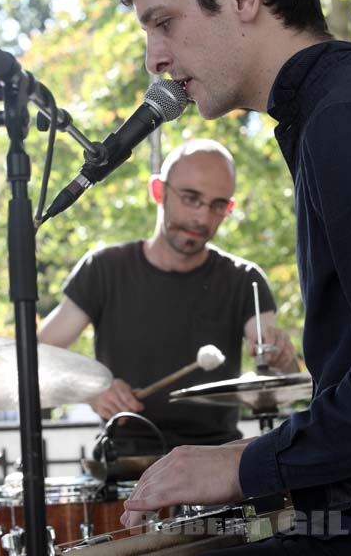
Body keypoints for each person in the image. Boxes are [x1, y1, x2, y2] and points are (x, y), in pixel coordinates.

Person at [112, 0, 351, 553]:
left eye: (163, 21)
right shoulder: (324, 112)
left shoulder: (341, 118)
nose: (155, 59)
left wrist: (244, 464)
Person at [39, 138, 296, 457]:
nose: (202, 219)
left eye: (217, 205)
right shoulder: (104, 269)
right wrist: (91, 390)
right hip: (126, 464)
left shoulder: (244, 279)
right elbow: (38, 356)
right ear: (159, 191)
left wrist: (281, 358)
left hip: (215, 465)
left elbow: (274, 367)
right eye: (191, 198)